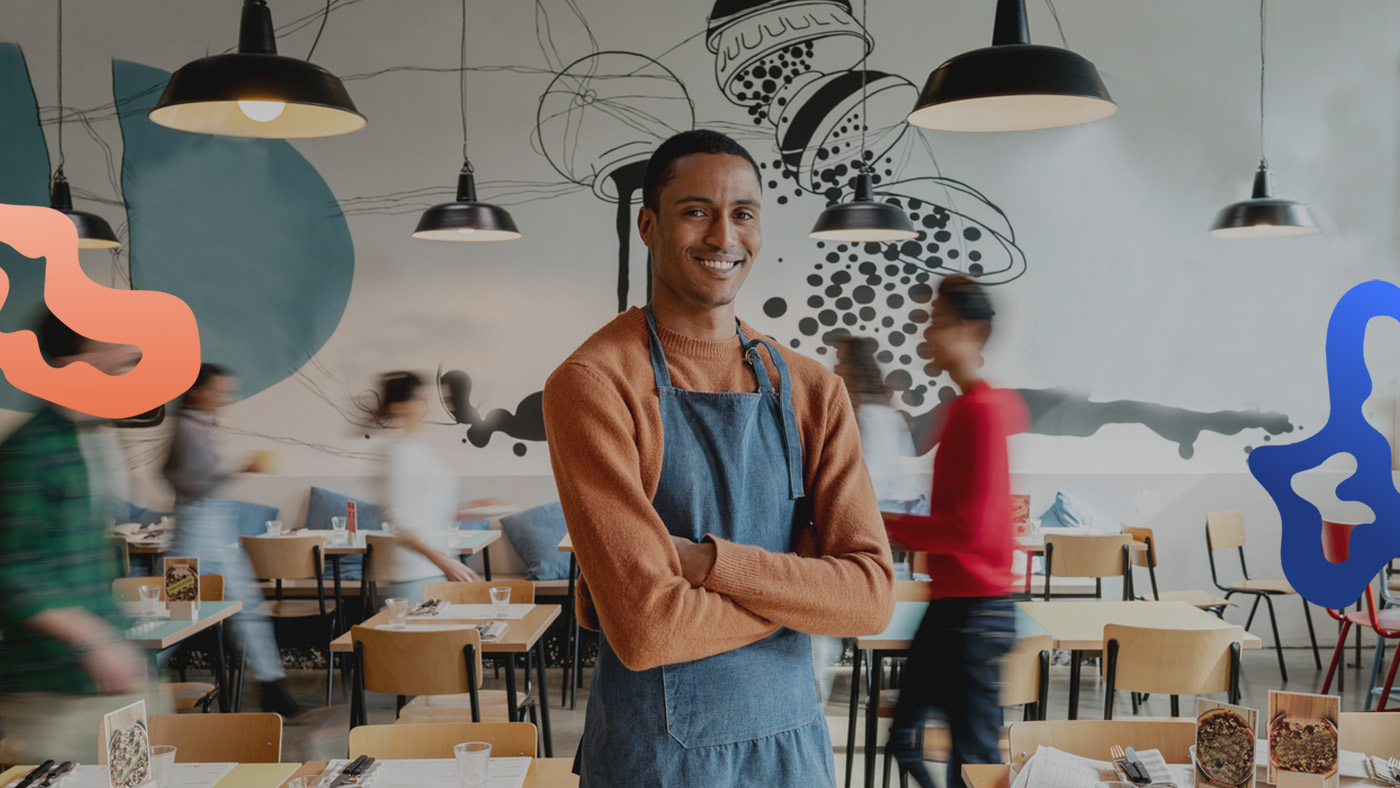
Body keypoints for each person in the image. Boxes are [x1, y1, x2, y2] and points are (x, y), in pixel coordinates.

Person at [543, 129, 895, 787]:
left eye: (743, 213)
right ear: (649, 225)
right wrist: (807, 592)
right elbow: (648, 629)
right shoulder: (596, 383)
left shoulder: (813, 390)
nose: (722, 236)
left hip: (795, 752)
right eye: (695, 210)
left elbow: (871, 599)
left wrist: (704, 563)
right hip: (657, 760)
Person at [882, 275, 1029, 788]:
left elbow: (967, 530)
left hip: (973, 614)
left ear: (974, 332)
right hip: (952, 607)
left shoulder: (980, 413)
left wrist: (883, 524)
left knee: (974, 763)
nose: (928, 334)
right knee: (907, 741)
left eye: (939, 323)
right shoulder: (969, 409)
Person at [0, 309, 162, 763]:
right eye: (120, 357)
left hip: (108, 678)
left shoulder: (87, 436)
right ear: (78, 359)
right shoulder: (30, 451)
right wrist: (97, 642)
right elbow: (12, 574)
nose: (134, 363)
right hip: (52, 686)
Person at [162, 363, 299, 717]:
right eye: (219, 391)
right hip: (197, 530)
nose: (224, 398)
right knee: (178, 614)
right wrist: (239, 468)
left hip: (206, 528)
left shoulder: (195, 427)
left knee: (224, 610)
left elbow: (179, 477)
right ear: (198, 391)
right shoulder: (187, 429)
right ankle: (134, 673)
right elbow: (190, 483)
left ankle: (272, 686)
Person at [373, 370, 481, 601]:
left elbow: (427, 512)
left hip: (434, 571)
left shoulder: (422, 452)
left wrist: (468, 511)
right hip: (411, 576)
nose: (429, 405)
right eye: (421, 399)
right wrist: (444, 561)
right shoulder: (397, 454)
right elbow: (400, 523)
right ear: (400, 406)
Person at [831, 335, 921, 509]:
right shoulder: (880, 412)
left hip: (884, 508)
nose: (836, 367)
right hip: (889, 505)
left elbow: (874, 477)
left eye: (842, 361)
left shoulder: (870, 416)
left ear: (855, 368)